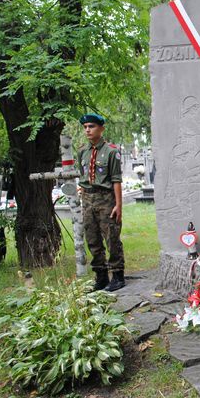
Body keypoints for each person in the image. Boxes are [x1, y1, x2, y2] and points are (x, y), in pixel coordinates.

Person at [77, 113, 126, 292]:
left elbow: (116, 180)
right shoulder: (82, 151)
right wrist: (83, 190)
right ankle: (101, 275)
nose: (88, 130)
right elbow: (83, 175)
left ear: (101, 129)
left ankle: (118, 275)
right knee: (92, 238)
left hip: (106, 199)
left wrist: (118, 205)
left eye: (92, 126)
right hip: (88, 200)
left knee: (111, 236)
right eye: (85, 127)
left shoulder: (111, 151)